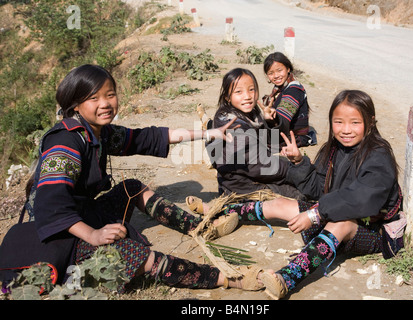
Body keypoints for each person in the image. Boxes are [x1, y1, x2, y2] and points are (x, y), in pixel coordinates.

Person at [0, 64, 264, 294]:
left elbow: (146, 138)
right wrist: (93, 234)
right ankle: (230, 279)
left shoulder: (96, 132)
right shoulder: (65, 143)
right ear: (76, 104)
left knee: (132, 188)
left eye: (110, 95)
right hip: (56, 234)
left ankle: (201, 228)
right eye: (94, 98)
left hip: (80, 213)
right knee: (136, 255)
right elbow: (50, 207)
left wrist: (208, 133)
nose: (105, 103)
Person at [195, 90, 406, 299]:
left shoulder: (378, 154)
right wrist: (299, 162)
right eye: (338, 122)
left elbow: (363, 198)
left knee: (341, 224)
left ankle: (287, 278)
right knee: (279, 204)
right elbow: (318, 189)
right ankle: (221, 211)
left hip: (371, 228)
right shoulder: (333, 149)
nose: (346, 130)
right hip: (333, 211)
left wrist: (315, 215)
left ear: (370, 121)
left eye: (355, 123)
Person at [200, 67, 304, 200]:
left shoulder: (250, 113)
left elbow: (265, 140)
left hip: (249, 173)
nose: (248, 96)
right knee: (298, 194)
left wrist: (270, 121)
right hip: (242, 186)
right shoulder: (233, 126)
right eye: (239, 92)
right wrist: (292, 170)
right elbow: (258, 165)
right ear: (227, 97)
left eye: (251, 90)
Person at [261, 52, 316, 149]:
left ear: (288, 69)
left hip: (293, 137)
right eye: (271, 73)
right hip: (282, 132)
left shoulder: (294, 90)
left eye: (279, 70)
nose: (276, 76)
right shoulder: (279, 89)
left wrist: (272, 118)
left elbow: (283, 120)